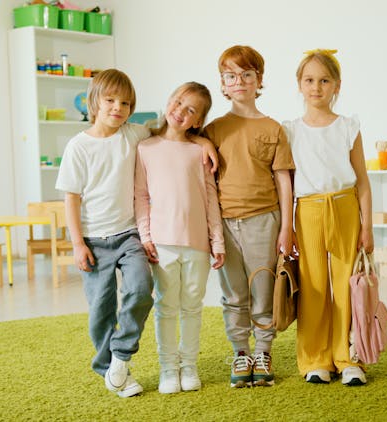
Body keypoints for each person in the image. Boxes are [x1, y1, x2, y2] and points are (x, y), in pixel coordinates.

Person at [56, 69, 217, 398]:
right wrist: (76, 243)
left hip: (129, 234)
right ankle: (110, 368)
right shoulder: (78, 146)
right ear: (94, 102)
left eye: (126, 102)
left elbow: (172, 134)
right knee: (101, 307)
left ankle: (122, 354)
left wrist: (201, 139)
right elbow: (70, 198)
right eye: (110, 100)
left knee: (142, 289)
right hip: (93, 240)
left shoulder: (135, 135)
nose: (118, 107)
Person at [203, 45, 295, 388]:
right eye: (231, 76)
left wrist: (287, 226)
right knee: (233, 295)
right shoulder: (212, 130)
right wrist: (201, 144)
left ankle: (264, 351)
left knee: (263, 290)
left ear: (259, 80)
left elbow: (284, 180)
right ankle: (241, 352)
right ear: (223, 84)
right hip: (225, 224)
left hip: (264, 220)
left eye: (246, 74)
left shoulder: (273, 129)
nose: (239, 81)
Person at [282, 49, 374, 386]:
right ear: (299, 85)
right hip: (307, 210)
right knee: (314, 286)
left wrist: (368, 225)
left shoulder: (348, 127)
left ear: (337, 85)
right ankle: (314, 359)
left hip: (345, 207)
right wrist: (287, 227)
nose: (316, 87)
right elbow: (286, 184)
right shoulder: (289, 130)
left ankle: (348, 357)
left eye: (324, 80)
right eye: (309, 80)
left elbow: (362, 180)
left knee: (347, 284)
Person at [134, 82, 225, 394]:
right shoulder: (145, 148)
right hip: (162, 243)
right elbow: (141, 197)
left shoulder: (199, 150)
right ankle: (168, 368)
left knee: (192, 306)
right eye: (178, 102)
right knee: (166, 307)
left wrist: (218, 241)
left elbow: (211, 198)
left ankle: (189, 365)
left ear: (198, 121)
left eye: (191, 110)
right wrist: (145, 236)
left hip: (197, 243)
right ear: (168, 100)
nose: (181, 112)